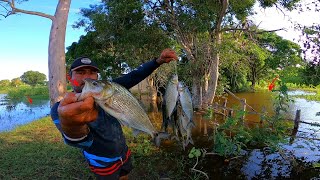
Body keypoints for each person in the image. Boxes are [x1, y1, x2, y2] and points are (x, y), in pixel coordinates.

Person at [50, 48, 178, 180]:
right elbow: (81, 143)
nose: (87, 77)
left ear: (97, 77)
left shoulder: (109, 88)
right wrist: (73, 127)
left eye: (93, 73)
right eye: (80, 72)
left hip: (123, 153)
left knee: (125, 175)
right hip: (102, 162)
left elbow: (134, 75)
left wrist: (158, 61)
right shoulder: (59, 109)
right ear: (69, 77)